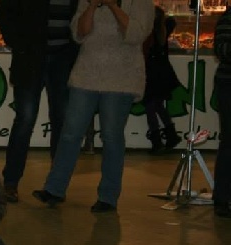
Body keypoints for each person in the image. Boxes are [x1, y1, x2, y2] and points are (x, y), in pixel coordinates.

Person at [32, 0, 154, 213]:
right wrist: (92, 6)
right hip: (86, 74)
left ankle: (108, 196)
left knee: (112, 136)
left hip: (122, 77)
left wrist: (114, 6)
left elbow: (136, 34)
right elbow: (79, 33)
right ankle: (54, 189)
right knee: (70, 133)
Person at [0, 0, 79, 203]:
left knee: (61, 120)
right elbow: (5, 13)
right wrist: (19, 43)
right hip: (30, 57)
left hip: (63, 58)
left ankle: (55, 185)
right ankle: (11, 182)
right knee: (25, 119)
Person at [143, 6, 181, 155]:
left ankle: (157, 141)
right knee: (158, 105)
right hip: (163, 74)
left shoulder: (148, 33)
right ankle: (171, 135)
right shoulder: (163, 31)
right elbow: (172, 20)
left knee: (150, 107)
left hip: (151, 75)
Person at [213, 3, 231, 218]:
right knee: (229, 141)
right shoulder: (228, 18)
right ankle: (222, 198)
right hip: (228, 84)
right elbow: (222, 50)